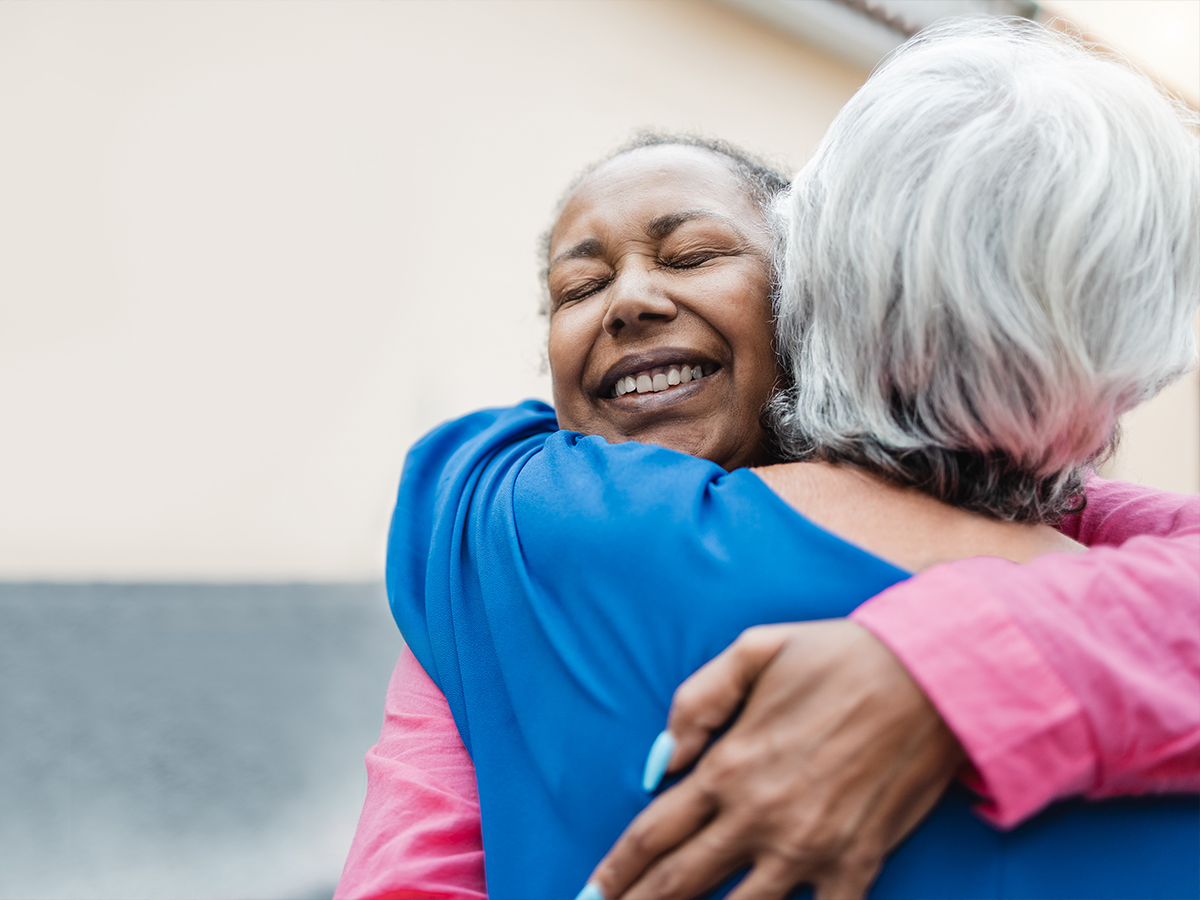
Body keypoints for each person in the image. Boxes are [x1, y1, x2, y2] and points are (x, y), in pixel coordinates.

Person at [337, 20, 1199, 900]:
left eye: (696, 256)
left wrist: (950, 668)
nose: (630, 300)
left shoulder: (507, 523)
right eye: (578, 288)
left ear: (808, 296)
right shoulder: (504, 555)